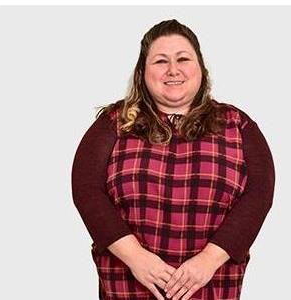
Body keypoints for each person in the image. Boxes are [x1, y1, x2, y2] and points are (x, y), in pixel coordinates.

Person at [71, 19, 275, 300]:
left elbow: (259, 194)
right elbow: (86, 190)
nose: (173, 70)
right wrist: (136, 258)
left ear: (200, 68)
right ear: (143, 72)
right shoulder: (114, 123)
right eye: (160, 61)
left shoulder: (237, 125)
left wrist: (207, 261)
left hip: (212, 284)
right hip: (128, 286)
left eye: (183, 59)